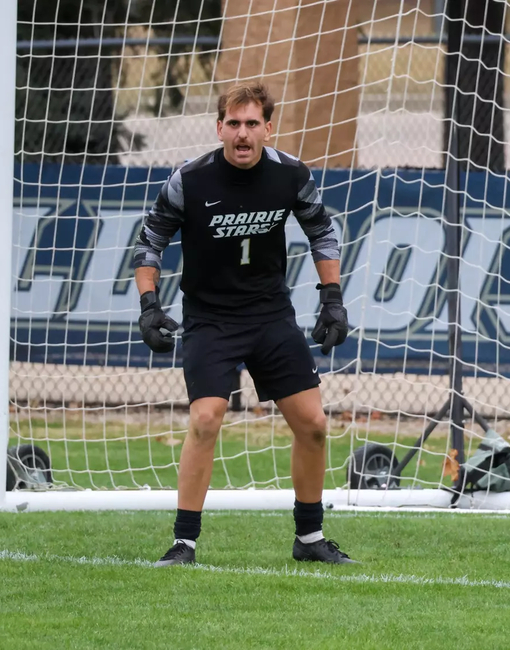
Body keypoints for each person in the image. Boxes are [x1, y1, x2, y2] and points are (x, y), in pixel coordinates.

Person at [131, 82, 356, 566]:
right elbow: (150, 239)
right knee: (206, 418)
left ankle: (310, 537)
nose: (242, 133)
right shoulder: (188, 180)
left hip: (271, 315)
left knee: (314, 424)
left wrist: (332, 300)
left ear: (268, 129)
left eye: (252, 123)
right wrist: (149, 305)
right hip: (210, 318)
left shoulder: (291, 174)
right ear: (219, 129)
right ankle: (184, 543)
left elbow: (321, 230)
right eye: (233, 124)